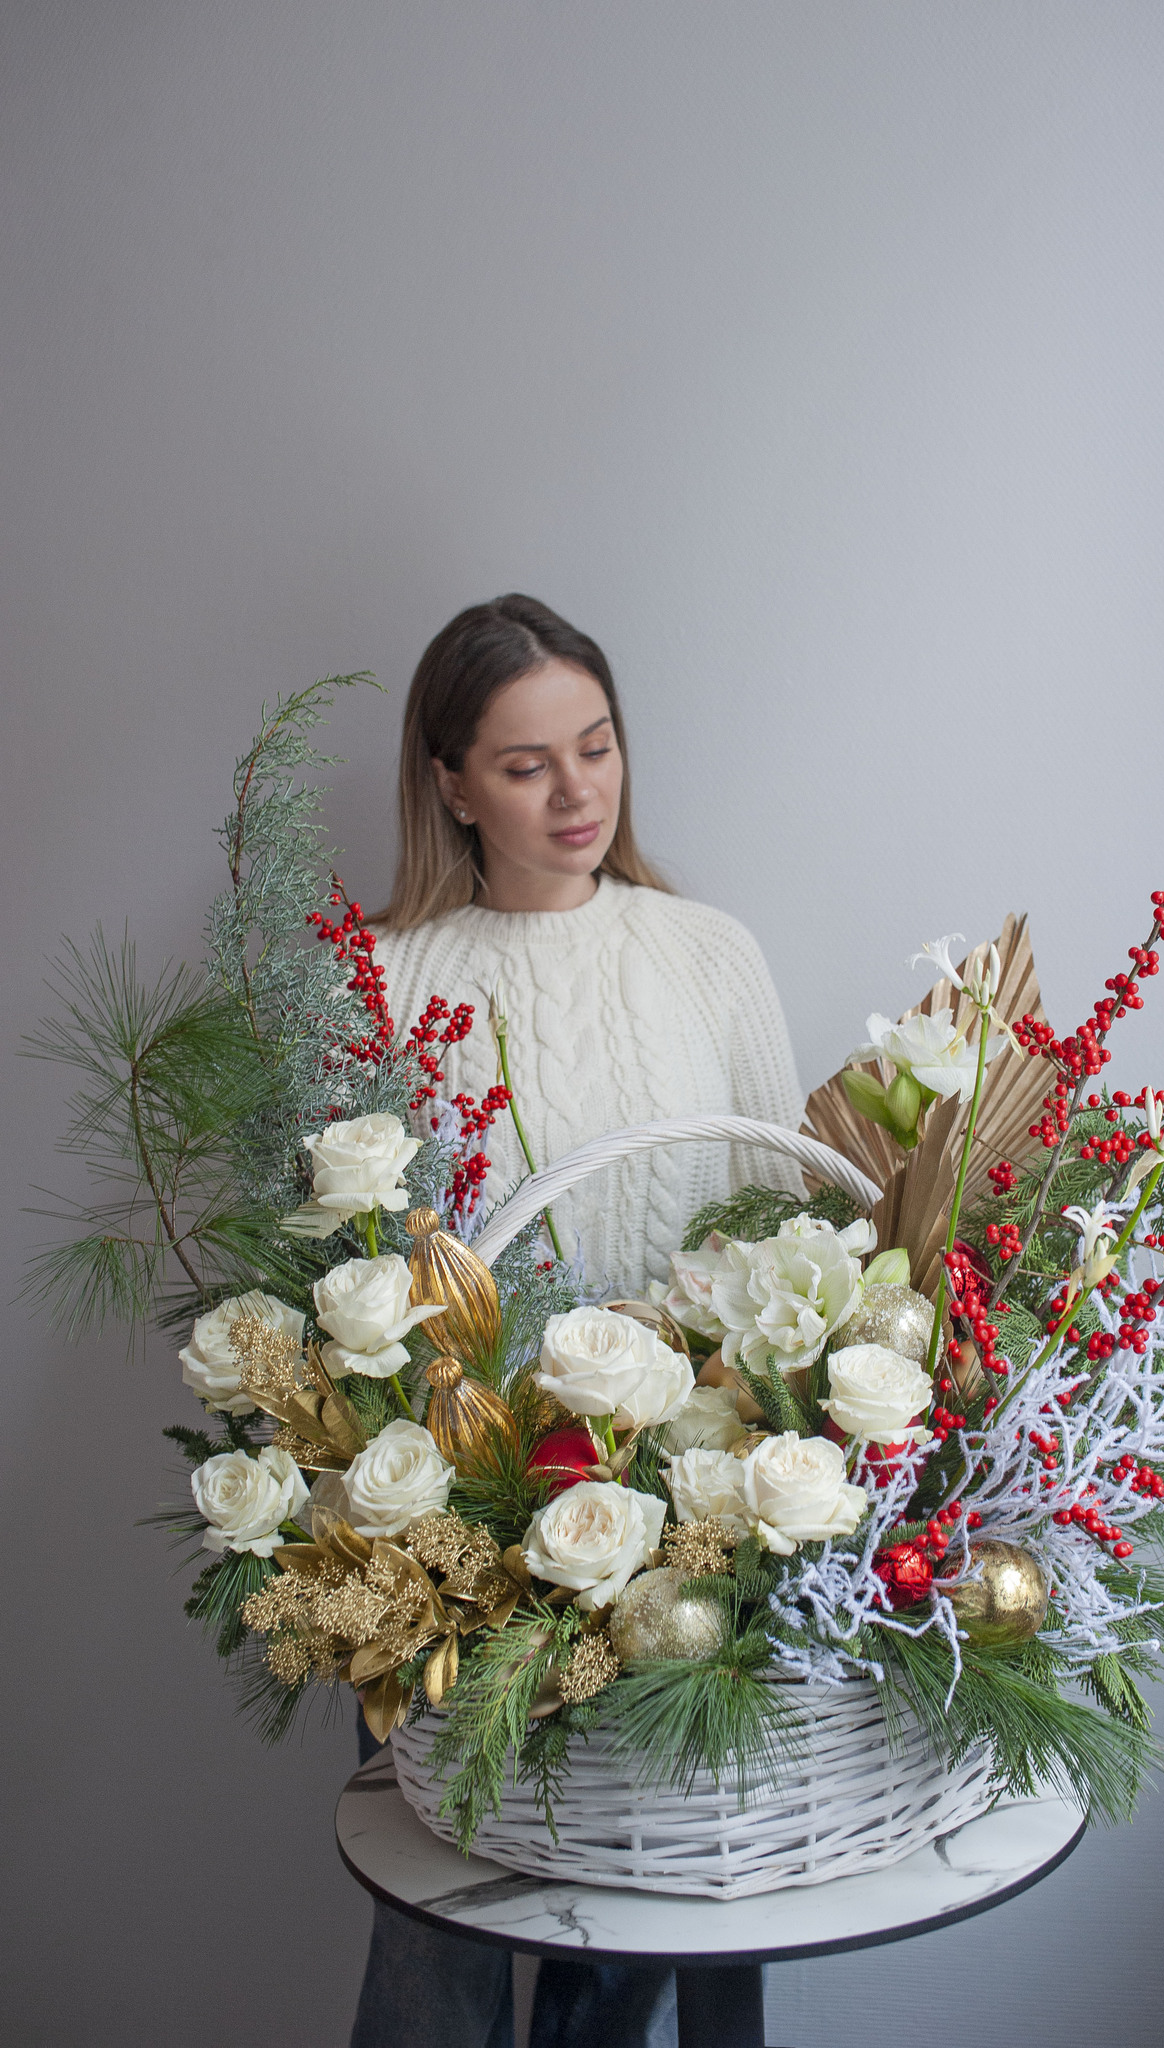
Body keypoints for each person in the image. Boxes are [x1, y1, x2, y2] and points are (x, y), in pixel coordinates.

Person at [349, 593, 804, 2048]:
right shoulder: (384, 982)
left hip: (697, 1516)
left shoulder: (708, 952)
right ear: (450, 784)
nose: (575, 793)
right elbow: (353, 1282)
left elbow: (787, 1226)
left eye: (595, 747)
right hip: (464, 1522)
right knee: (449, 1921)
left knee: (657, 1914)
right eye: (526, 763)